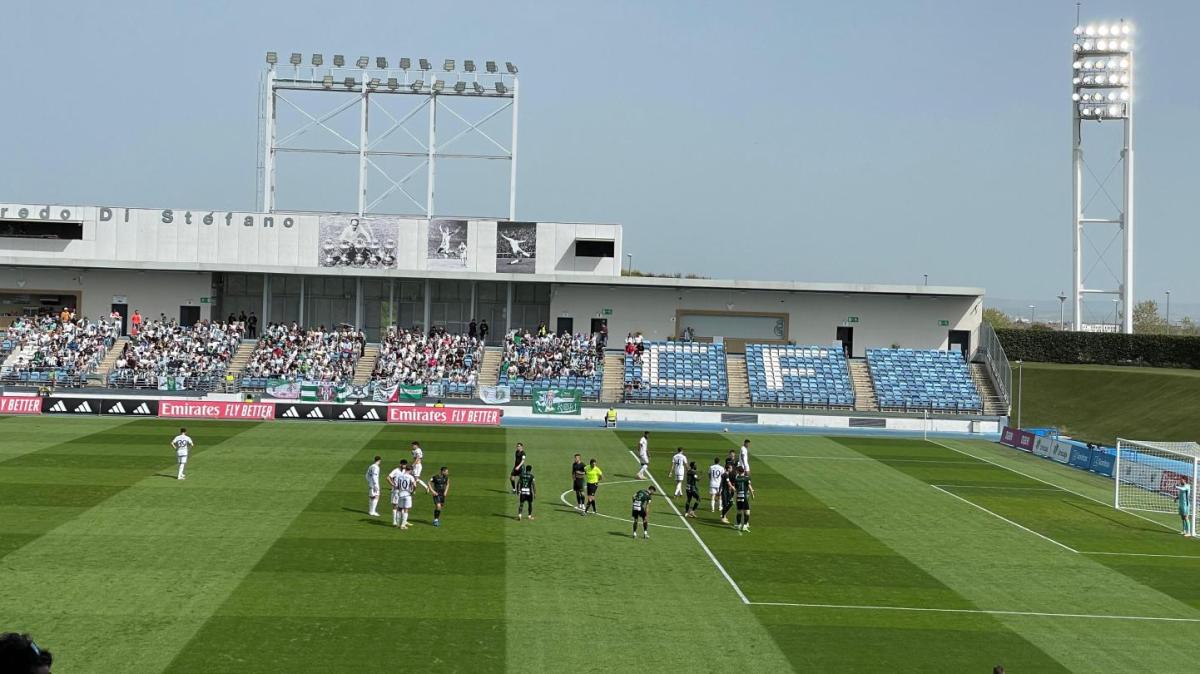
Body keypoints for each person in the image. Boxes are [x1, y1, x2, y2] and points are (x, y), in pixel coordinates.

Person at [731, 465, 756, 531]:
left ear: (738, 471)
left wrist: (735, 492)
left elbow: (734, 488)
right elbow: (749, 486)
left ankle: (738, 525)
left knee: (739, 511)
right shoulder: (747, 478)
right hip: (745, 497)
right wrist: (752, 494)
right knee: (747, 511)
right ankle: (745, 525)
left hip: (738, 497)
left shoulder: (736, 478)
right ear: (743, 471)